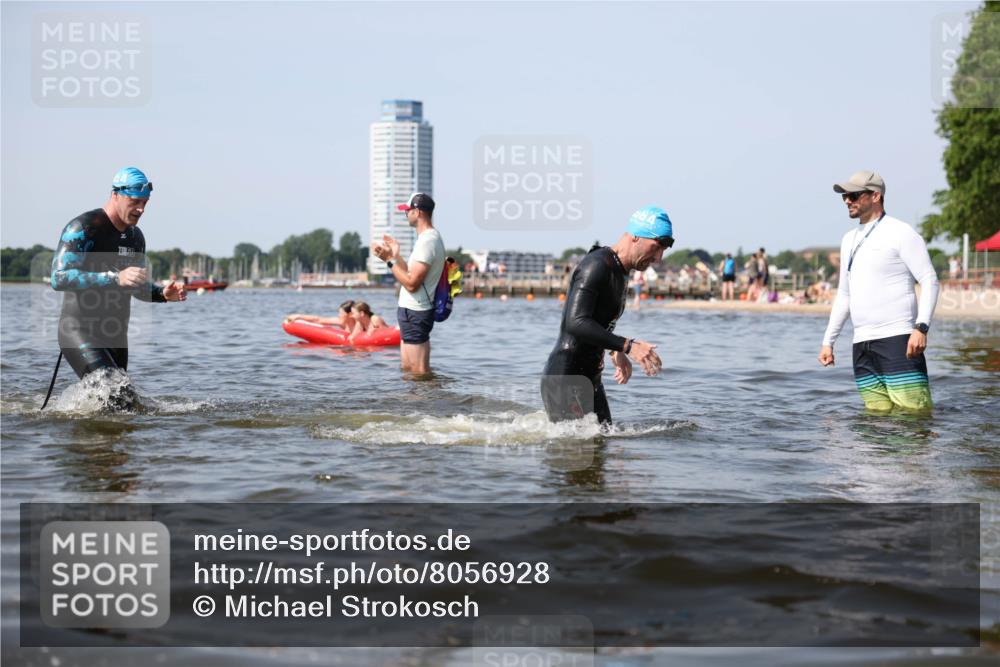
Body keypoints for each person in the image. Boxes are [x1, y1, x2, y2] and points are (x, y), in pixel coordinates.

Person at [50, 167, 186, 409]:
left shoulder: (135, 237)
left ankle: (102, 442)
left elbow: (134, 285)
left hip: (115, 335)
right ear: (116, 195)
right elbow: (59, 277)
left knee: (124, 404)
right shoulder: (84, 227)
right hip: (79, 330)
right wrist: (114, 278)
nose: (141, 209)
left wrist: (161, 294)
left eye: (145, 203)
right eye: (135, 202)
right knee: (115, 397)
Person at [818, 170, 940, 412]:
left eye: (853, 195)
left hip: (898, 340)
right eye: (845, 196)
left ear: (875, 196)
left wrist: (921, 327)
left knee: (913, 417)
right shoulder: (848, 240)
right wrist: (828, 341)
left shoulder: (900, 232)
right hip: (862, 344)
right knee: (875, 421)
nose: (847, 201)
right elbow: (844, 294)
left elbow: (929, 279)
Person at [541, 206, 668, 427]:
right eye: (656, 247)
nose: (658, 258)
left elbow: (597, 320)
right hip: (566, 377)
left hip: (590, 378)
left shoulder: (620, 270)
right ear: (636, 236)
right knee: (577, 456)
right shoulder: (597, 265)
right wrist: (627, 345)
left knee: (603, 447)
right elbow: (576, 322)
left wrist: (614, 350)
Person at [371, 192, 445, 374]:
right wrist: (395, 255)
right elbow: (410, 273)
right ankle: (413, 403)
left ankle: (428, 402)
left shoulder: (428, 240)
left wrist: (389, 261)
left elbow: (412, 284)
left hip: (416, 312)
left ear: (418, 212)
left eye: (407, 211)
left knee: (419, 372)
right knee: (407, 369)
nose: (406, 214)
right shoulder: (424, 239)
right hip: (410, 310)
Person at [286, 300, 357, 329]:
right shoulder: (341, 322)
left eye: (341, 313)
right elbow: (318, 319)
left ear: (350, 314)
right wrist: (299, 316)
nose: (339, 315)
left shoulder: (359, 323)